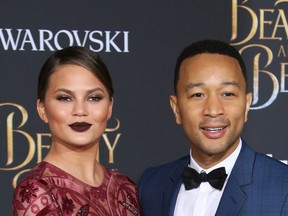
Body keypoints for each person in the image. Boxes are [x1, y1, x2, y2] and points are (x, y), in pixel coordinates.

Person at [138, 39, 288, 216]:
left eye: (228, 94)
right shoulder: (151, 184)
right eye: (198, 94)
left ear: (247, 104)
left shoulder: (283, 186)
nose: (214, 110)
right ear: (176, 108)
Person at [13, 46, 140, 216]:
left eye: (94, 98)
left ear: (109, 107)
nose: (80, 110)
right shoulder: (36, 191)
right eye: (65, 98)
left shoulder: (126, 188)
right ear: (42, 109)